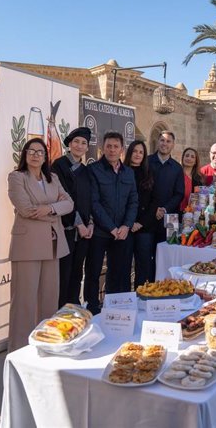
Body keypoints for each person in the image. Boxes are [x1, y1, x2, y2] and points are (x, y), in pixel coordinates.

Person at [7, 138, 73, 352]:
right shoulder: (16, 177)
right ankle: (19, 348)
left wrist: (48, 209)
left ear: (46, 157)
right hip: (27, 246)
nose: (36, 155)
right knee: (24, 301)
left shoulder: (52, 178)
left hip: (52, 244)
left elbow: (69, 204)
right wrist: (54, 211)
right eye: (31, 151)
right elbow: (26, 209)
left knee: (49, 298)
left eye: (40, 152)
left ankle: (45, 343)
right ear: (25, 154)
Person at [85, 131, 138, 314]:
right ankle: (92, 309)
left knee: (120, 272)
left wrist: (126, 226)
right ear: (102, 148)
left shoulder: (128, 173)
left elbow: (133, 201)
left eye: (116, 146)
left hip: (123, 232)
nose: (112, 150)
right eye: (109, 146)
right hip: (100, 232)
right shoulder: (94, 170)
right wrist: (112, 228)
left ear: (122, 150)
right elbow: (94, 203)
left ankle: (117, 310)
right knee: (93, 271)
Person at [51, 127, 93, 307]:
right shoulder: (58, 166)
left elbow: (89, 199)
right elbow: (62, 197)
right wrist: (79, 224)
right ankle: (60, 313)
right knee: (63, 273)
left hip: (84, 232)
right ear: (69, 144)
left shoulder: (86, 171)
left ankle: (74, 310)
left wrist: (90, 222)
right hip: (66, 229)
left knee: (77, 273)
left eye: (83, 143)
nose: (79, 146)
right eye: (76, 141)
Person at [124, 140, 158, 289]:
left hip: (144, 227)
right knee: (123, 265)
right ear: (129, 152)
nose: (137, 154)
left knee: (143, 266)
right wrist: (129, 223)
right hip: (125, 226)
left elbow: (154, 201)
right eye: (135, 151)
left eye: (141, 152)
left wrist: (141, 223)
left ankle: (142, 297)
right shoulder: (122, 171)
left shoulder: (150, 173)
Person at [147, 130, 184, 248]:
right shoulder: (146, 162)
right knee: (145, 258)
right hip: (147, 217)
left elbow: (179, 193)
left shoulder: (177, 168)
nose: (165, 143)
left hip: (169, 219)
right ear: (158, 142)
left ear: (173, 145)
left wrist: (165, 209)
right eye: (162, 140)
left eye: (168, 141)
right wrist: (153, 210)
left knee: (168, 254)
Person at [180, 147, 204, 212]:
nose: (189, 158)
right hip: (175, 212)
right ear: (183, 158)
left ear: (195, 161)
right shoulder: (176, 175)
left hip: (192, 215)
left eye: (192, 157)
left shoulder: (198, 179)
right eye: (187, 156)